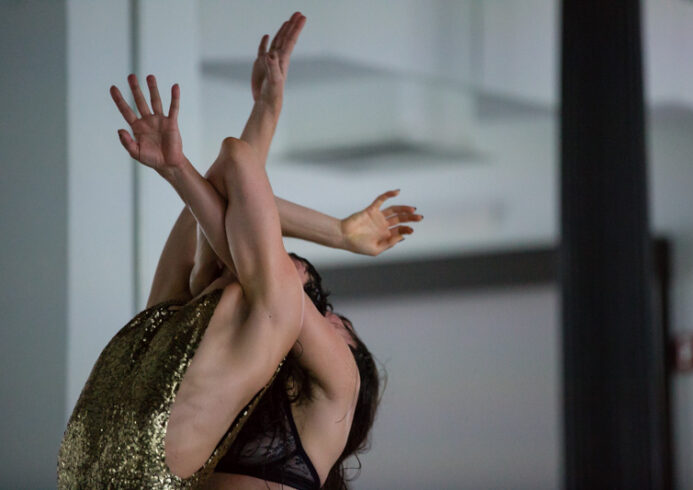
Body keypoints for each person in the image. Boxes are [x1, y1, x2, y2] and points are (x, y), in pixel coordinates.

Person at [58, 12, 421, 490]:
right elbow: (227, 210)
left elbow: (236, 195)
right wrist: (261, 113)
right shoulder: (220, 355)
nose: (331, 318)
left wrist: (338, 234)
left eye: (341, 325)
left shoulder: (341, 383)